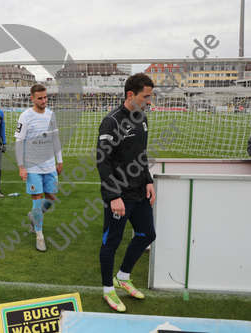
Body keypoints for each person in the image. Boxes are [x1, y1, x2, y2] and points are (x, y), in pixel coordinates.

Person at [96, 73, 156, 313]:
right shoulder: (112, 121)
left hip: (139, 192)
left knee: (147, 234)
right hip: (119, 196)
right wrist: (113, 196)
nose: (149, 101)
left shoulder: (142, 118)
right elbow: (103, 160)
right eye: (146, 96)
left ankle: (123, 276)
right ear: (131, 95)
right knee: (111, 242)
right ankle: (107, 289)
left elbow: (141, 154)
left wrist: (149, 180)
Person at [15, 84, 63, 252]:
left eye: (45, 97)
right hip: (33, 167)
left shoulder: (51, 114)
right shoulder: (25, 117)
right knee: (37, 200)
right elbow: (19, 142)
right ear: (32, 99)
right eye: (40, 98)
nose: (44, 100)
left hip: (50, 166)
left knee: (50, 199)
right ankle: (40, 237)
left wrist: (60, 161)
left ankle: (34, 216)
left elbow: (55, 138)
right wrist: (21, 166)